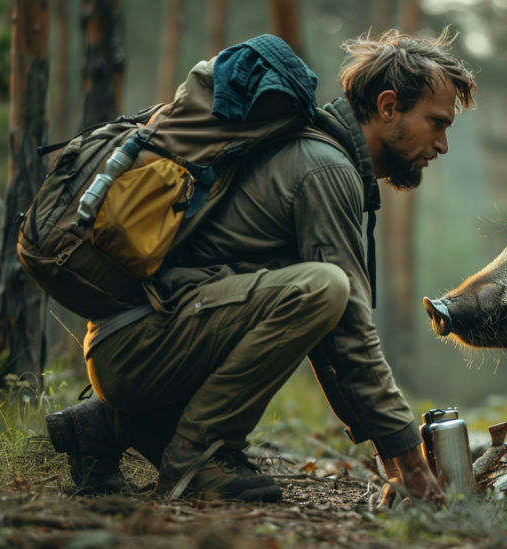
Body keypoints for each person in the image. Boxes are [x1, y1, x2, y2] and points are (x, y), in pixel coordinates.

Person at [45, 28, 476, 505]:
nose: (442, 145)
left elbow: (329, 340)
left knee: (316, 295)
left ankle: (103, 428)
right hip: (136, 346)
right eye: (436, 123)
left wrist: (394, 459)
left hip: (134, 342)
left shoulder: (315, 156)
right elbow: (350, 329)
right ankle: (198, 455)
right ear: (389, 106)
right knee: (324, 290)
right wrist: (411, 463)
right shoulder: (326, 169)